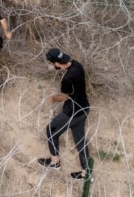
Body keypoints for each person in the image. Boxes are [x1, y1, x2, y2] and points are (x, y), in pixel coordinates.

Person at [38, 48, 91, 180]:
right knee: (80, 141)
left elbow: (65, 96)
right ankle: (86, 172)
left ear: (56, 63)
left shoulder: (67, 78)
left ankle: (54, 162)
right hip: (84, 109)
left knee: (51, 131)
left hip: (71, 113)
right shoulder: (77, 65)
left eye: (52, 63)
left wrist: (54, 98)